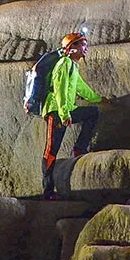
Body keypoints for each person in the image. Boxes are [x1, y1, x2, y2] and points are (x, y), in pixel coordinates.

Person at [41, 31, 108, 198]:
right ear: (71, 48)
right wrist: (64, 114)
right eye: (82, 45)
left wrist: (99, 99)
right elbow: (59, 89)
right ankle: (47, 191)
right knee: (51, 151)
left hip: (66, 109)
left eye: (85, 44)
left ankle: (79, 148)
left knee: (93, 113)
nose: (86, 48)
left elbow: (81, 88)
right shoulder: (63, 63)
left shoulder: (72, 66)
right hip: (56, 111)